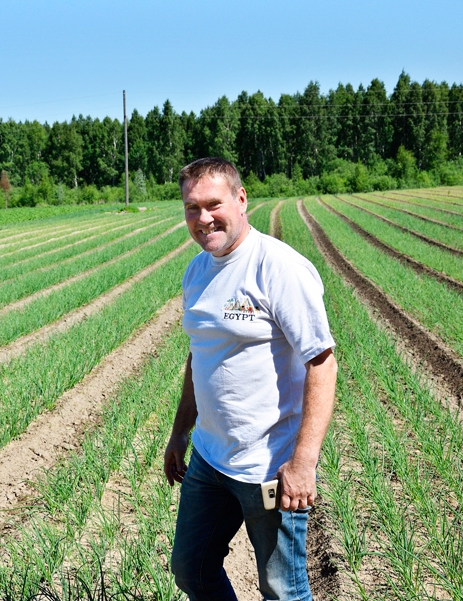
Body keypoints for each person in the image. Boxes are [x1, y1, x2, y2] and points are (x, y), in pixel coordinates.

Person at [164, 157, 338, 600]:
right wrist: (180, 432)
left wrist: (303, 464)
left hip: (267, 468)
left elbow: (322, 363)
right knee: (191, 568)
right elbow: (199, 356)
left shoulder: (279, 267)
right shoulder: (198, 271)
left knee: (282, 589)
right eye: (191, 208)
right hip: (209, 458)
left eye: (212, 204)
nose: (203, 219)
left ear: (241, 200)